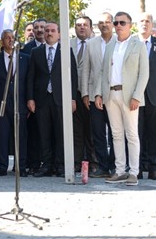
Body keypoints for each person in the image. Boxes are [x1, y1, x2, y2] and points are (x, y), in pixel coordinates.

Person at [96, 12, 149, 186]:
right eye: (116, 22)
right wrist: (99, 93)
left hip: (129, 96)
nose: (118, 25)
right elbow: (103, 72)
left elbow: (144, 74)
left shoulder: (137, 45)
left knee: (132, 134)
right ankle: (120, 171)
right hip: (111, 94)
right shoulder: (111, 46)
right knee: (116, 134)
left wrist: (137, 96)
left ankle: (134, 172)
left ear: (130, 25)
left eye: (122, 23)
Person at [26, 21, 77, 177]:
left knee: (61, 133)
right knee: (44, 133)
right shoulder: (36, 52)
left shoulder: (66, 51)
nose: (49, 33)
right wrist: (30, 98)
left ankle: (60, 165)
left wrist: (73, 98)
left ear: (59, 33)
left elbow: (73, 76)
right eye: (47, 30)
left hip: (61, 98)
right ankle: (46, 165)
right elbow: (30, 77)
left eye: (52, 30)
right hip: (41, 99)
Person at [0, 29, 28, 177]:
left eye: (13, 38)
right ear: (2, 41)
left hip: (20, 103)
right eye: (7, 38)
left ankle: (21, 167)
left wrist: (29, 102)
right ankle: (2, 166)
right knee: (2, 135)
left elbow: (28, 83)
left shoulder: (25, 59)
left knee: (20, 136)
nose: (10, 40)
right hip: (0, 103)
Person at [80, 12, 116, 177]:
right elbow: (86, 69)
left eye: (107, 22)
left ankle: (116, 165)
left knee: (116, 132)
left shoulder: (119, 42)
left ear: (113, 24)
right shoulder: (92, 43)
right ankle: (103, 166)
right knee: (98, 133)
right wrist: (85, 93)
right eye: (101, 22)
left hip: (114, 95)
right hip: (94, 95)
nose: (104, 25)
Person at [70, 16, 96, 172]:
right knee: (76, 131)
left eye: (85, 25)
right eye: (78, 25)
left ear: (91, 28)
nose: (82, 27)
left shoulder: (96, 44)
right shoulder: (68, 44)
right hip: (74, 93)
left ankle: (94, 162)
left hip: (91, 93)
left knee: (92, 131)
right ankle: (76, 162)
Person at [22, 17, 46, 174]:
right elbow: (26, 76)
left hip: (51, 96)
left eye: (42, 27)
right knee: (34, 132)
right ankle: (34, 163)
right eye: (35, 27)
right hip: (33, 97)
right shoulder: (26, 48)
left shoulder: (59, 47)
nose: (38, 30)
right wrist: (28, 98)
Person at [137, 12, 156, 180]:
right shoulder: (130, 44)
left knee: (154, 133)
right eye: (142, 21)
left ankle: (153, 166)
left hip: (154, 96)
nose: (145, 24)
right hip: (135, 95)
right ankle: (136, 167)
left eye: (148, 21)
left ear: (152, 25)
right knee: (135, 132)